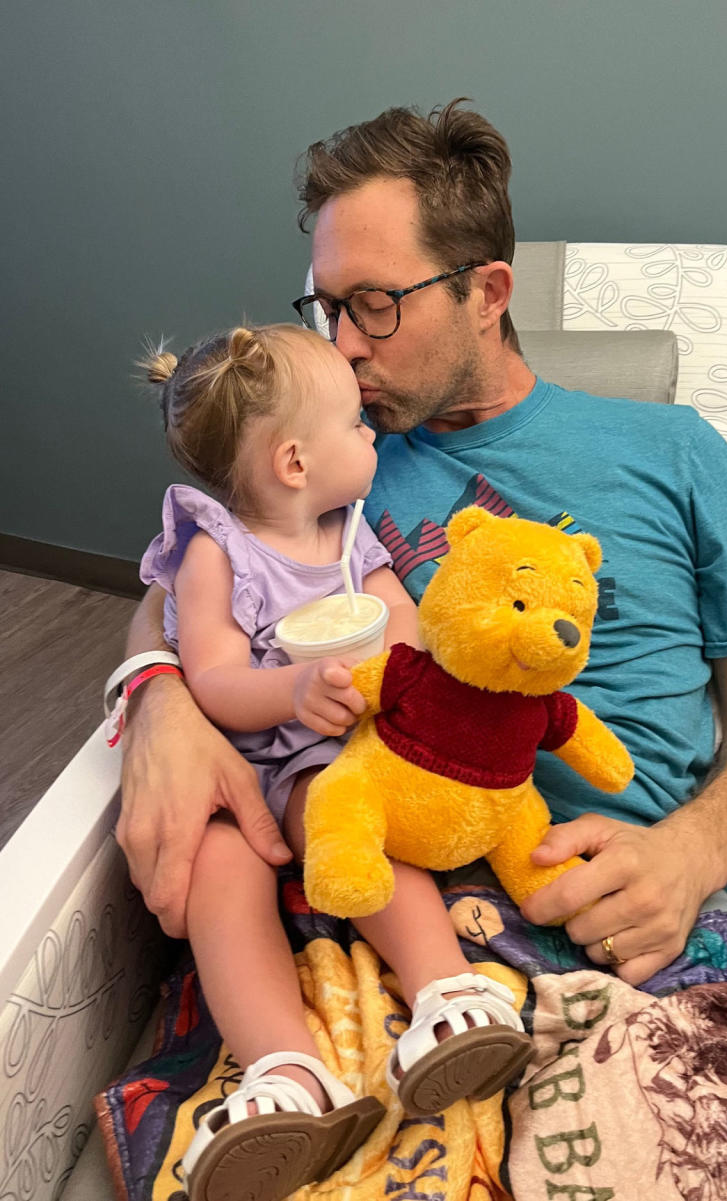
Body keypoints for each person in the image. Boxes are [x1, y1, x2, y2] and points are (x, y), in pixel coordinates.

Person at [118, 99, 727, 999]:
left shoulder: (670, 450)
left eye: (373, 306)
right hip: (372, 893)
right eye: (328, 307)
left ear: (486, 293)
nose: (344, 345)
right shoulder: (329, 458)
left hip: (605, 912)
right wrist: (155, 697)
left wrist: (696, 847)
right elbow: (185, 577)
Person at [135, 323, 533, 1199]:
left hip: (354, 758)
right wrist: (292, 691)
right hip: (260, 761)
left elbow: (403, 619)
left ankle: (445, 998)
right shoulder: (218, 555)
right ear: (291, 463)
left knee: (355, 809)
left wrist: (398, 670)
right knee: (218, 866)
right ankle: (285, 1072)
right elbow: (211, 674)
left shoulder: (350, 534)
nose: (372, 434)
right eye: (356, 423)